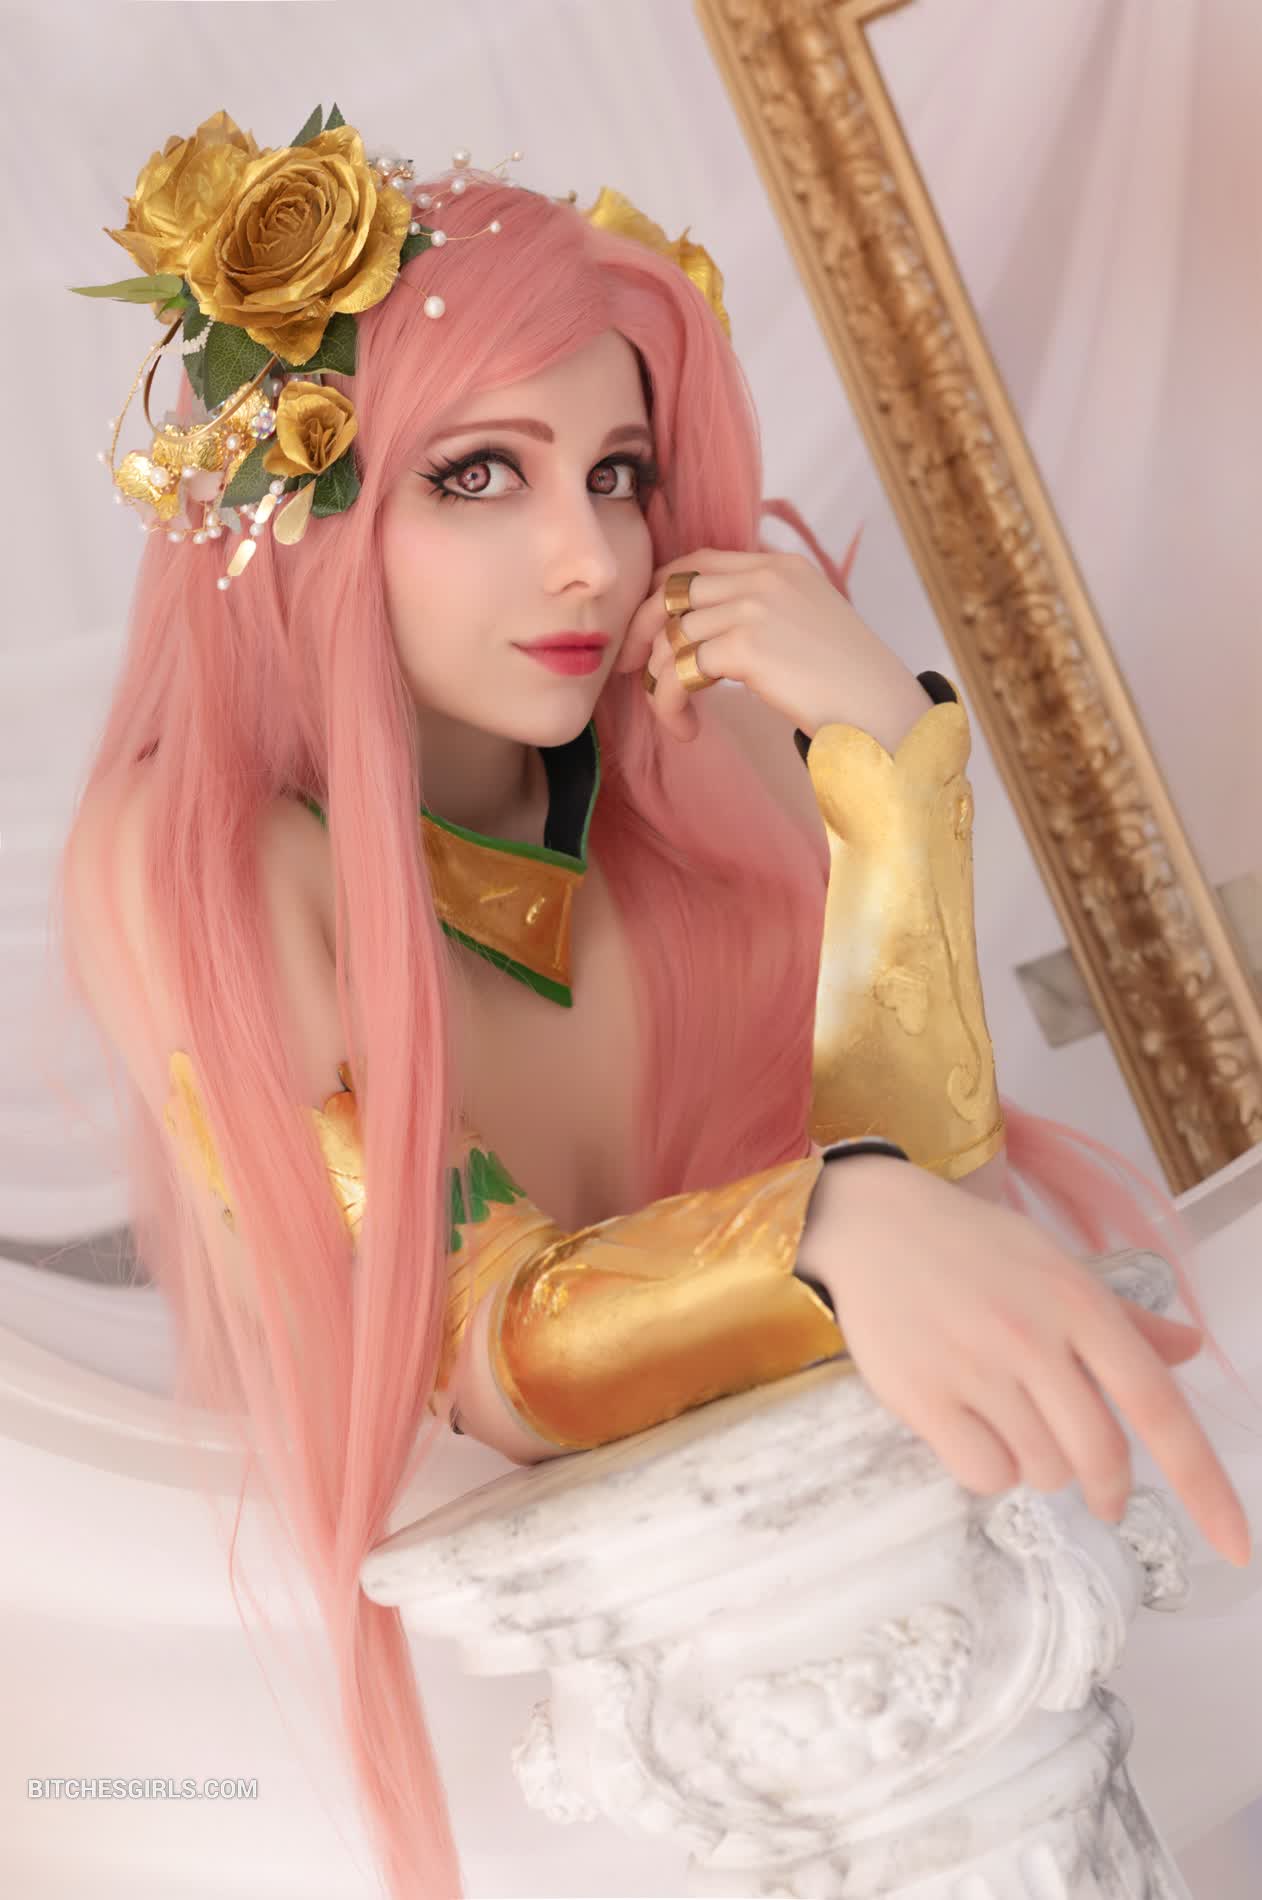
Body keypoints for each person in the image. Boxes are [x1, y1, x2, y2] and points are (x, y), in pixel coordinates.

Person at [56, 107, 1250, 1900]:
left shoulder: (692, 735)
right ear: (304, 510)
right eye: (479, 474)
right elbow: (476, 1344)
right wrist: (828, 1227)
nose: (590, 558)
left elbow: (924, 1175)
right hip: (548, 1689)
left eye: (616, 473)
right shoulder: (198, 859)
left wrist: (892, 767)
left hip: (848, 1530)